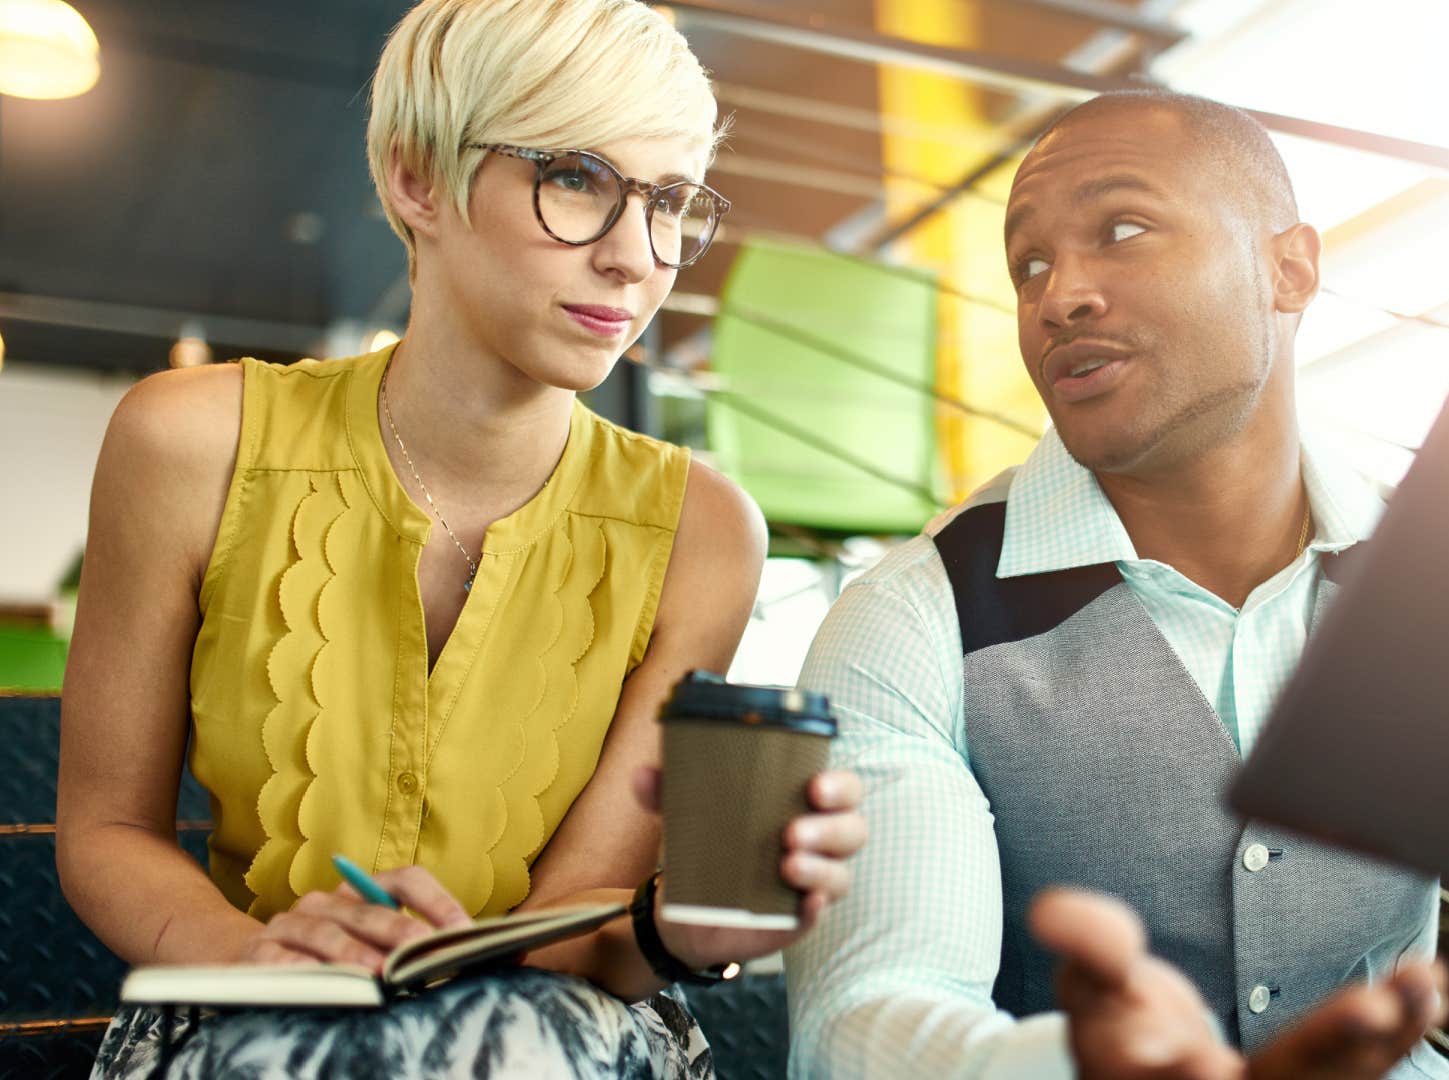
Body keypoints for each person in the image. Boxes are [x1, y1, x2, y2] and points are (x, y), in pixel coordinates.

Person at [785, 90, 1449, 1080]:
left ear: (1288, 270)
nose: (1059, 295)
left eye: (1118, 231)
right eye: (1026, 267)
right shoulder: (910, 619)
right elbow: (869, 1010)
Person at [56, 2, 865, 1077]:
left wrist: (688, 929)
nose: (637, 257)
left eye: (671, 201)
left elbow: (580, 919)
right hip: (242, 995)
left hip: (555, 1025)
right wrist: (259, 956)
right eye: (577, 177)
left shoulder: (705, 530)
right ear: (416, 180)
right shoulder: (187, 440)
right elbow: (107, 830)